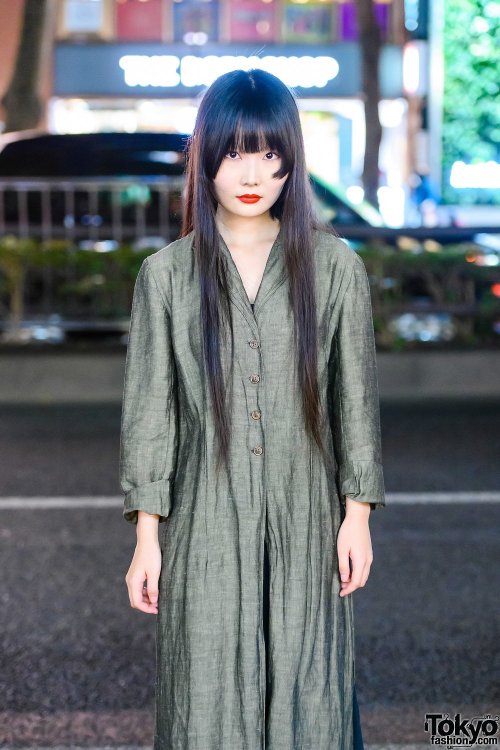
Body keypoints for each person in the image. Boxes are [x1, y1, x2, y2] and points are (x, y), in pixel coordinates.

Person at [119, 68, 386, 750]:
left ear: (291, 162)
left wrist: (357, 517)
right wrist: (147, 537)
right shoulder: (168, 276)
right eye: (236, 151)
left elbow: (353, 398)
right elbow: (153, 412)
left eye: (270, 154)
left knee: (308, 698)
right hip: (202, 517)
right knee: (205, 701)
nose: (252, 172)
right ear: (206, 156)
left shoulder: (334, 268)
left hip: (307, 514)